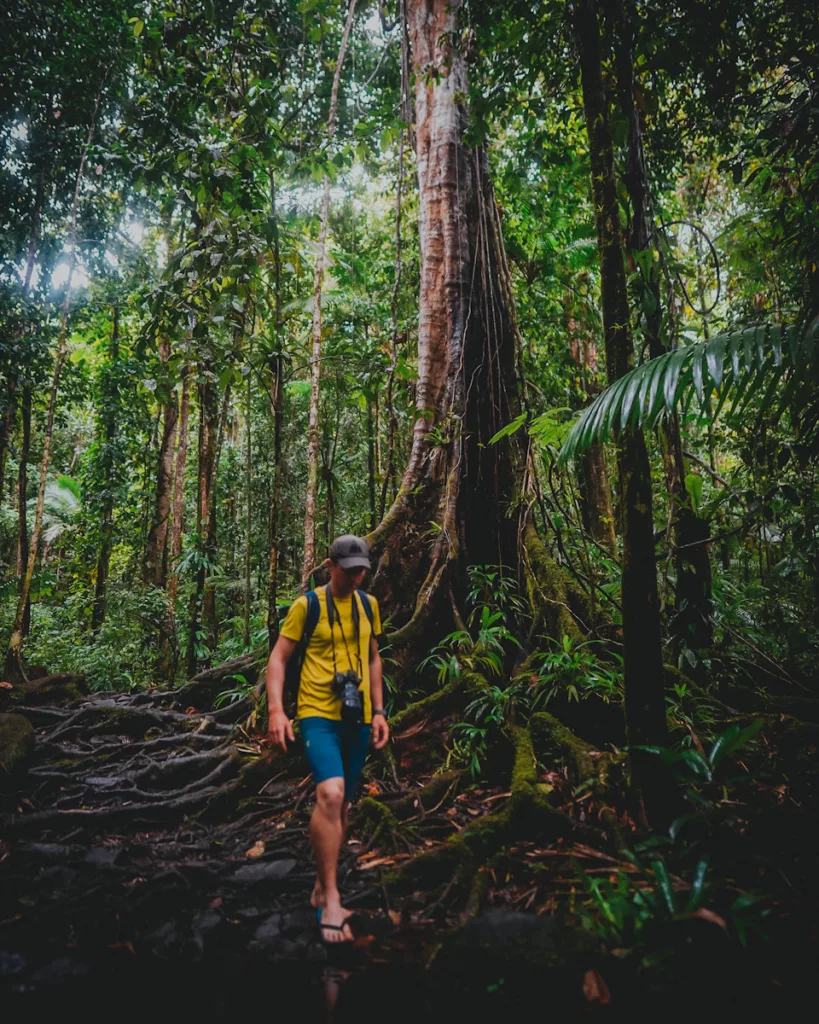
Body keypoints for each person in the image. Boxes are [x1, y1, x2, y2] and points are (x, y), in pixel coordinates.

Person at [265, 535, 389, 944]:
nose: (357, 575)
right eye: (350, 568)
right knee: (330, 795)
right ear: (330, 565)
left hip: (356, 717)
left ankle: (322, 883)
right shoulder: (308, 606)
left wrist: (379, 712)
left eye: (362, 569)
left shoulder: (368, 605)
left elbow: (373, 658)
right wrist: (277, 711)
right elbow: (279, 658)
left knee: (345, 805)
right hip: (317, 713)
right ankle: (331, 898)